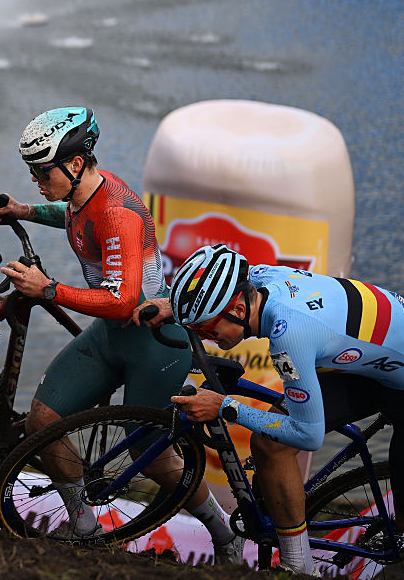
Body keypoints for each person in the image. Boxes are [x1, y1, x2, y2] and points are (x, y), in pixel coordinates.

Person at [0, 107, 242, 563]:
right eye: (31, 171)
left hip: (156, 346)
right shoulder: (84, 193)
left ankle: (223, 533)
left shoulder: (118, 215)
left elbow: (124, 301)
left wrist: (47, 289)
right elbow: (69, 213)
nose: (34, 178)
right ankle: (84, 523)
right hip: (111, 335)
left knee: (150, 449)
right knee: (43, 422)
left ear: (75, 164)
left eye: (41, 171)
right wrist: (23, 210)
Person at [149, 243, 404, 574]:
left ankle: (300, 568)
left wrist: (225, 407)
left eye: (206, 329)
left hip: (389, 372)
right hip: (373, 366)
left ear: (238, 310)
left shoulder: (288, 334)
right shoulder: (259, 279)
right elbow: (225, 281)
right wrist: (176, 307)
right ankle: (295, 556)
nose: (206, 337)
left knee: (282, 436)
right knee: (269, 443)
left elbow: (308, 435)